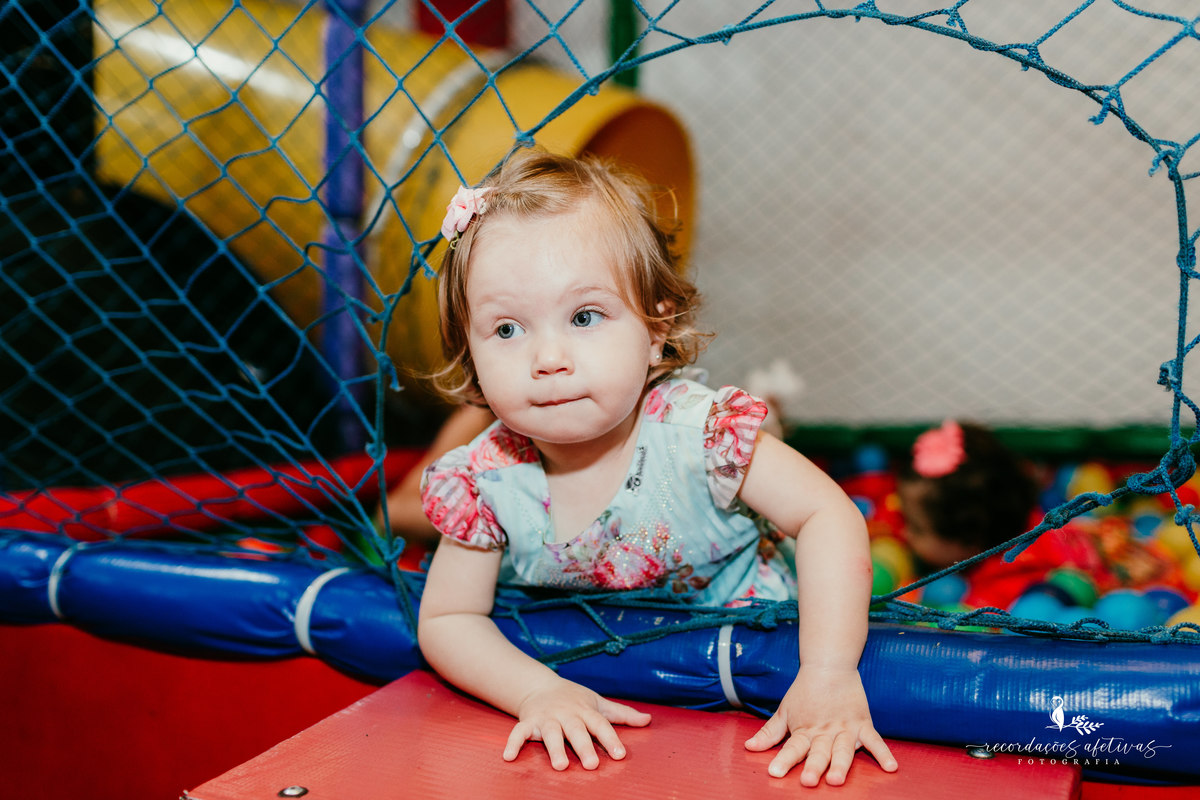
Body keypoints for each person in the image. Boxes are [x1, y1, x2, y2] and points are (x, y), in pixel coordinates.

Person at [416, 149, 897, 787]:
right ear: (470, 355)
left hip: (754, 650)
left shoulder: (697, 435)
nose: (548, 357)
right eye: (507, 329)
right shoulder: (486, 479)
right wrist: (537, 691)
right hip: (620, 693)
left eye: (585, 317)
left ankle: (776, 413)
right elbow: (449, 618)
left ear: (654, 329)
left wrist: (829, 673)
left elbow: (827, 513)